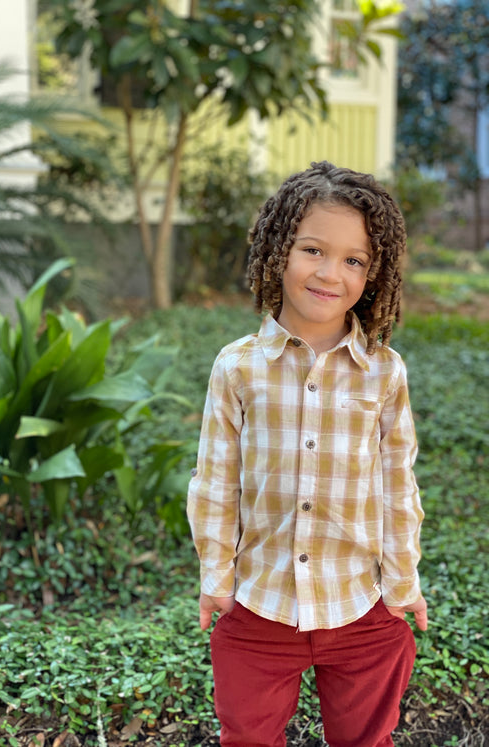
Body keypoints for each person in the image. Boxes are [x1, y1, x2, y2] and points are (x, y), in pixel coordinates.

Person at [186, 161, 428, 747]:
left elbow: (397, 486)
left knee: (367, 738)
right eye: (313, 250)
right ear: (278, 250)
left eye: (354, 260)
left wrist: (403, 583)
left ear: (374, 273)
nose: (330, 273)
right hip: (259, 604)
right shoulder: (238, 366)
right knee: (246, 737)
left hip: (360, 604)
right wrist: (216, 575)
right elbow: (216, 481)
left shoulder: (384, 373)